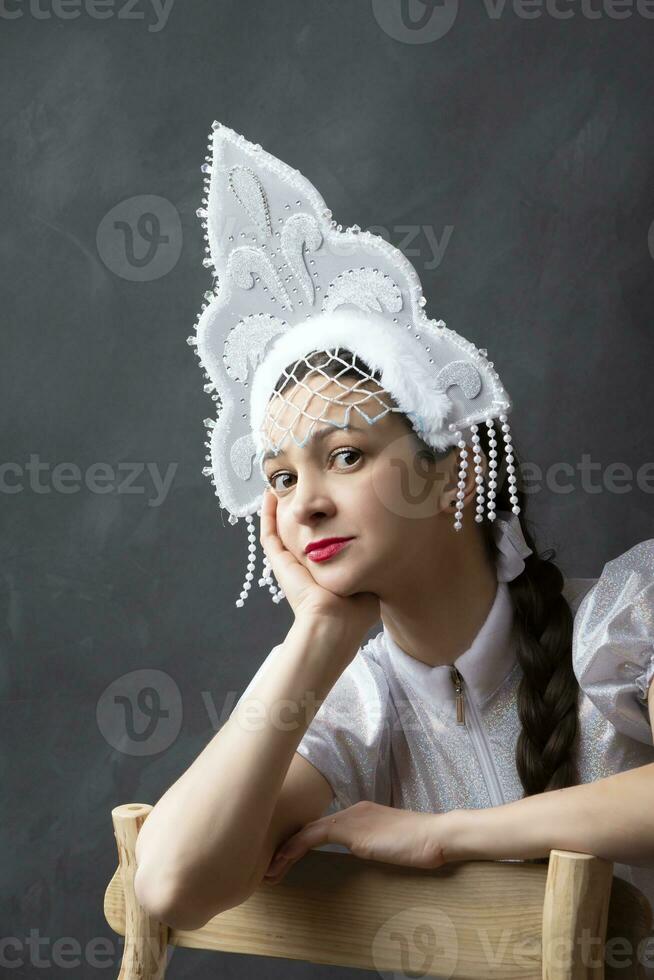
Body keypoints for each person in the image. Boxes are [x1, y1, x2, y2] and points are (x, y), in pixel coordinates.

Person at [133, 121, 654, 976]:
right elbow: (171, 884)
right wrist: (315, 640)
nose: (307, 504)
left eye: (344, 456)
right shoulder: (359, 707)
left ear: (454, 473)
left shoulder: (623, 621)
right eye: (283, 477)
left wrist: (443, 836)